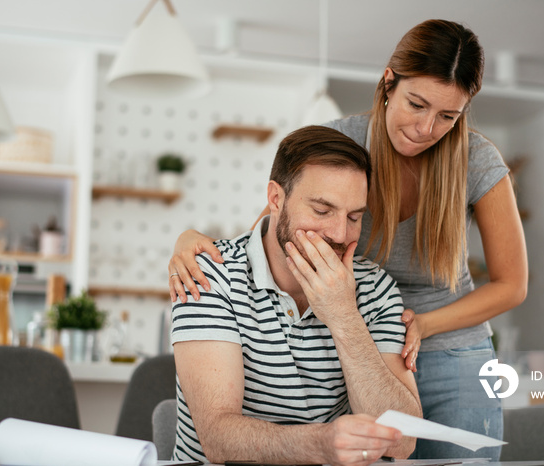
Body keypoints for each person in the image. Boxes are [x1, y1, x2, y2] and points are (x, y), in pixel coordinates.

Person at [168, 19, 527, 461]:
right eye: (416, 104)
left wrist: (421, 325)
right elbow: (276, 226)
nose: (426, 128)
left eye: (447, 117)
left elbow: (513, 284)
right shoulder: (342, 141)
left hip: (432, 333)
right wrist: (194, 242)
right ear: (388, 83)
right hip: (360, 316)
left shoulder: (476, 160)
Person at [170, 125, 422, 464]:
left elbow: (402, 441)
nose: (338, 234)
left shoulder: (375, 288)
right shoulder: (210, 274)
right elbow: (218, 438)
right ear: (276, 198)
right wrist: (321, 445)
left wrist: (344, 316)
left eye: (354, 217)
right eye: (321, 211)